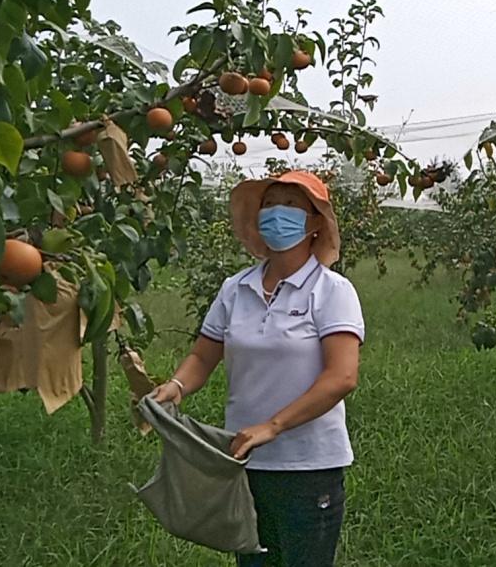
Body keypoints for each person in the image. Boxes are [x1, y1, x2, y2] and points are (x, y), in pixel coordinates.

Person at [152, 170, 364, 567]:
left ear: (315, 222)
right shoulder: (236, 288)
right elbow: (203, 356)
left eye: (290, 205)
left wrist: (275, 425)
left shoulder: (332, 291)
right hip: (244, 459)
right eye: (269, 204)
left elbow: (342, 376)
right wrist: (177, 386)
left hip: (308, 465)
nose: (275, 214)